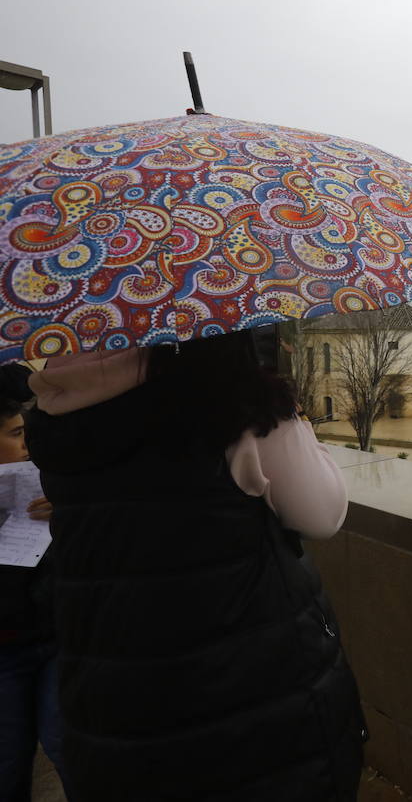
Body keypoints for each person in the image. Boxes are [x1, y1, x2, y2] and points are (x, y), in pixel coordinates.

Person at [23, 330, 365, 801]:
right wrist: (291, 416)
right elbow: (322, 515)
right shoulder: (233, 404)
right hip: (247, 697)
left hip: (116, 693)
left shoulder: (61, 405)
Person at [0, 364, 67, 800]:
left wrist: (67, 517)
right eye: (15, 434)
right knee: (7, 763)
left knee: (67, 745)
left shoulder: (44, 482)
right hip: (4, 654)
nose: (26, 444)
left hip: (56, 639)